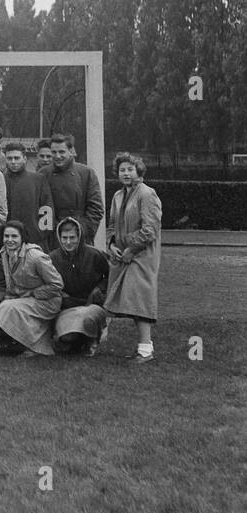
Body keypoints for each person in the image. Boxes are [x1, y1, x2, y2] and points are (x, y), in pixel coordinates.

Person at [104, 152, 162, 364]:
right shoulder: (118, 195)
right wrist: (111, 245)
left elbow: (150, 230)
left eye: (130, 169)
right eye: (122, 170)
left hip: (142, 256)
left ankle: (146, 350)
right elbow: (111, 225)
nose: (126, 173)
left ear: (139, 171)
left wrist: (131, 249)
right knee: (126, 300)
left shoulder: (147, 194)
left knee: (140, 299)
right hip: (122, 255)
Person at [0, 220, 63, 355]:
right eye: (6, 236)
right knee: (4, 305)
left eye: (14, 236)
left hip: (47, 301)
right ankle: (10, 345)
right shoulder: (5, 253)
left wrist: (32, 293)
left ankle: (32, 347)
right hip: (22, 298)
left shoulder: (36, 257)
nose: (9, 240)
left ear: (23, 237)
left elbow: (57, 285)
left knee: (9, 307)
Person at [47, 217, 109, 355]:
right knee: (66, 340)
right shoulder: (52, 258)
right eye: (64, 238)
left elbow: (110, 275)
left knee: (86, 318)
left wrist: (100, 289)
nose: (68, 242)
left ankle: (92, 339)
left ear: (79, 236)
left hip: (91, 306)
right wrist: (60, 294)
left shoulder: (94, 255)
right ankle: (75, 339)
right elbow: (47, 282)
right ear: (59, 237)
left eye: (72, 237)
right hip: (66, 307)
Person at [46, 132, 105, 244]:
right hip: (52, 239)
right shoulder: (43, 174)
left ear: (71, 151)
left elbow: (96, 208)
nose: (58, 156)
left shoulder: (86, 173)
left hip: (79, 237)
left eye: (62, 152)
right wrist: (51, 233)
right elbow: (40, 208)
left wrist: (81, 231)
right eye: (54, 152)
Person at [2, 141, 54, 249]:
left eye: (16, 158)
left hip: (34, 241)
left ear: (24, 159)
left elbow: (47, 209)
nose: (13, 162)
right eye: (9, 158)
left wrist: (40, 234)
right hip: (7, 241)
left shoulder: (38, 179)